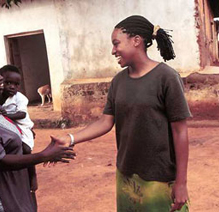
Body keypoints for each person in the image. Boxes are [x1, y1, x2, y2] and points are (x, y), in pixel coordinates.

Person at [52, 15, 191, 212]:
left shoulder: (167, 77)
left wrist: (181, 182)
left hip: (159, 179)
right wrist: (70, 138)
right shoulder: (118, 81)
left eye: (116, 44)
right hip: (126, 174)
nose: (113, 50)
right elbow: (105, 122)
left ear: (136, 41)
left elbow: (180, 132)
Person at [0, 53, 75, 212]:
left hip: (14, 182)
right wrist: (44, 155)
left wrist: (32, 173)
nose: (1, 78)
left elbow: (11, 141)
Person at [0, 65, 38, 195]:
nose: (12, 87)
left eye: (16, 84)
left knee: (25, 149)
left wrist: (3, 117)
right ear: (0, 81)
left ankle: (32, 175)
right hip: (7, 128)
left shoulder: (19, 98)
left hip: (22, 127)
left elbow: (22, 114)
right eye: (8, 83)